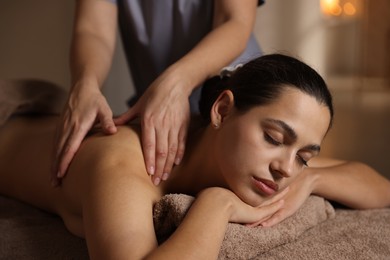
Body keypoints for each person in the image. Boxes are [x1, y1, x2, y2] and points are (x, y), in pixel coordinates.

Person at [1, 54, 389, 259]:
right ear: (221, 111)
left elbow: (379, 188)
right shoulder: (123, 163)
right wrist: (216, 206)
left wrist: (313, 179)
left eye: (304, 156)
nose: (286, 168)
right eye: (273, 137)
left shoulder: (270, 163)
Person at [53, 0, 263, 186]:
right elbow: (92, 30)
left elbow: (234, 21)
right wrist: (85, 83)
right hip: (156, 111)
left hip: (235, 96)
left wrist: (178, 82)